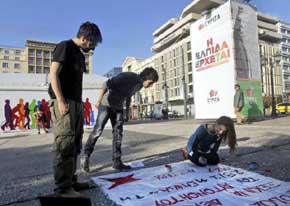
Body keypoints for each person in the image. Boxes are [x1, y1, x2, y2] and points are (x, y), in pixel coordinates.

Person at [48, 21, 102, 198]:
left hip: (76, 103)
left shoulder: (80, 54)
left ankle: (71, 181)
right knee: (64, 143)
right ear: (84, 37)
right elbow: (53, 74)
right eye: (91, 43)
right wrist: (61, 100)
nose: (92, 47)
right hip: (64, 102)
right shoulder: (65, 47)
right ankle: (62, 189)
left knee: (74, 144)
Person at [81, 67, 159, 172]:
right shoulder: (128, 77)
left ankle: (117, 162)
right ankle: (86, 156)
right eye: (150, 83)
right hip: (106, 105)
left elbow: (128, 96)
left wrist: (126, 113)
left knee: (118, 134)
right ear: (145, 77)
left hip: (118, 107)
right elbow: (106, 84)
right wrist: (99, 100)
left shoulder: (139, 85)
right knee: (97, 131)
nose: (150, 86)